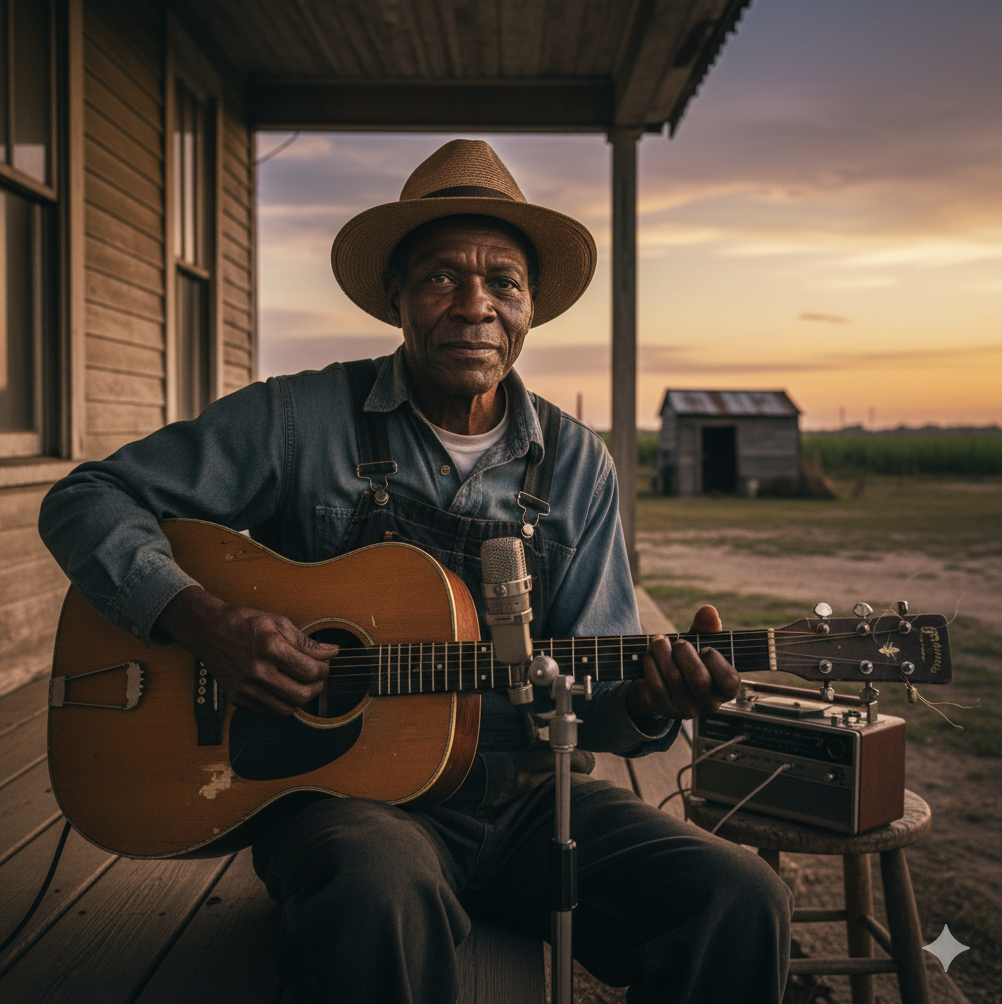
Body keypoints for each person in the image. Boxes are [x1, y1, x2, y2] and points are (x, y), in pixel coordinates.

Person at [40, 140, 790, 1003]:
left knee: (742, 899)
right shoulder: (299, 417)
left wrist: (654, 700)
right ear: (396, 297)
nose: (475, 306)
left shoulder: (578, 464)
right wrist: (202, 620)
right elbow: (89, 496)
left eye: (503, 282)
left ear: (531, 309)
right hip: (348, 810)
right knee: (378, 878)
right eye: (441, 277)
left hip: (526, 805)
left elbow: (605, 703)